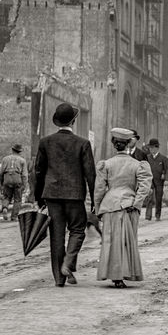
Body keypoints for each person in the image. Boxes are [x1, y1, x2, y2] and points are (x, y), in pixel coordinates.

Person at [32, 102, 96, 287]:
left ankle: (59, 278)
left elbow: (39, 172)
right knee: (77, 230)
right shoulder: (83, 143)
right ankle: (68, 262)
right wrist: (95, 198)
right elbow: (90, 174)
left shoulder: (45, 142)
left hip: (52, 195)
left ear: (57, 121)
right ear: (74, 121)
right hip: (75, 196)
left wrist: (38, 197)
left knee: (56, 236)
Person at [93, 128, 152, 288]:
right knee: (127, 241)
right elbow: (145, 186)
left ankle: (113, 275)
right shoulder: (138, 165)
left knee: (110, 241)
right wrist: (137, 203)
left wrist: (98, 209)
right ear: (128, 144)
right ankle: (124, 274)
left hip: (109, 206)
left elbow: (99, 189)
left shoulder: (106, 164)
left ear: (114, 145)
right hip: (129, 207)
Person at [0, 143, 28, 221]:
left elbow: (1, 172)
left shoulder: (5, 159)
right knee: (17, 199)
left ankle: (5, 208)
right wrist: (24, 185)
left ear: (12, 150)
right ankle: (14, 216)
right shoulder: (22, 160)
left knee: (6, 196)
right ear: (20, 152)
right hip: (17, 178)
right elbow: (24, 174)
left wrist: (1, 182)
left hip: (7, 178)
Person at [144, 138, 167, 221]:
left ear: (157, 148)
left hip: (159, 181)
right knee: (149, 197)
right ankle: (148, 215)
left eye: (152, 148)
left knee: (158, 198)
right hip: (150, 181)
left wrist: (166, 178)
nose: (151, 149)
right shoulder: (147, 158)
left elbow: (167, 169)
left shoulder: (163, 158)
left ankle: (158, 215)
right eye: (150, 148)